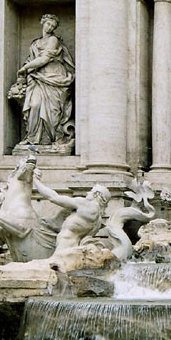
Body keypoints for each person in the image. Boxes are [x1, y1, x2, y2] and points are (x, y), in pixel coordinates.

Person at [14, 13, 75, 148]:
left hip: (54, 76)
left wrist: (25, 68)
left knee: (52, 111)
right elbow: (32, 59)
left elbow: (44, 59)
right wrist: (26, 71)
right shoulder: (35, 43)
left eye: (53, 26)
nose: (50, 27)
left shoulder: (53, 40)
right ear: (43, 22)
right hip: (38, 78)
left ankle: (50, 138)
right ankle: (32, 138)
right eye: (48, 24)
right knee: (35, 105)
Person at [33, 173, 110, 253]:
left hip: (64, 248)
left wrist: (35, 180)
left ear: (97, 194)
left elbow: (54, 197)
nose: (87, 193)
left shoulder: (85, 204)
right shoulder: (99, 220)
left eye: (91, 191)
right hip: (74, 249)